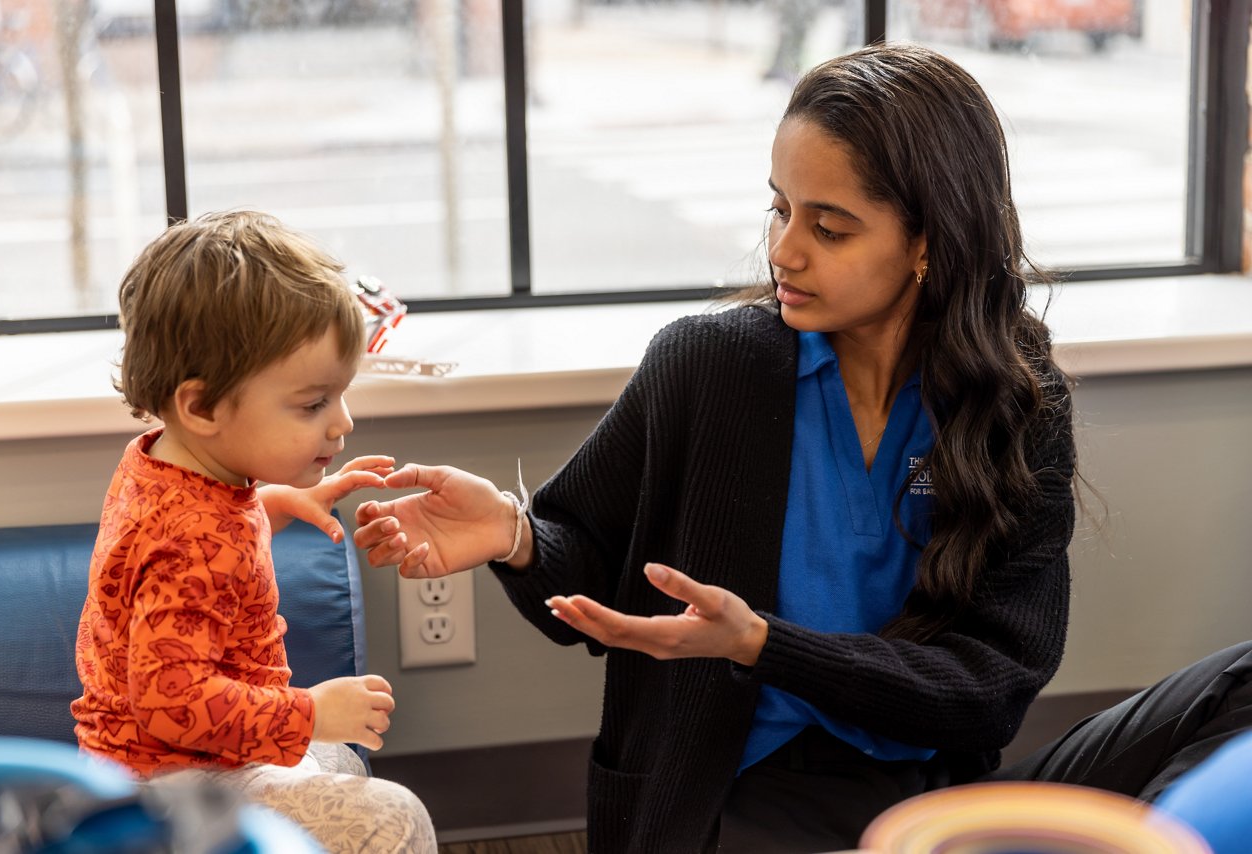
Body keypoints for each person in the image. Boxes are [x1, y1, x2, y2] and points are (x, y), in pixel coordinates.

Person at [352, 45, 1252, 853]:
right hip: (742, 792)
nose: (784, 249)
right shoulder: (707, 366)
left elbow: (991, 686)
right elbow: (586, 575)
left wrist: (762, 644)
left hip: (942, 789)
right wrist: (512, 536)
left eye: (830, 227)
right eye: (780, 209)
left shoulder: (1014, 396)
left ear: (928, 244)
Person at [71, 210, 436, 854]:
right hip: (176, 788)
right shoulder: (188, 539)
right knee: (393, 818)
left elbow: (199, 540)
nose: (342, 422)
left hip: (172, 761)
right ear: (203, 406)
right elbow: (169, 699)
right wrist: (311, 712)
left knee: (342, 766)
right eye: (312, 403)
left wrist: (277, 501)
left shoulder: (163, 462)